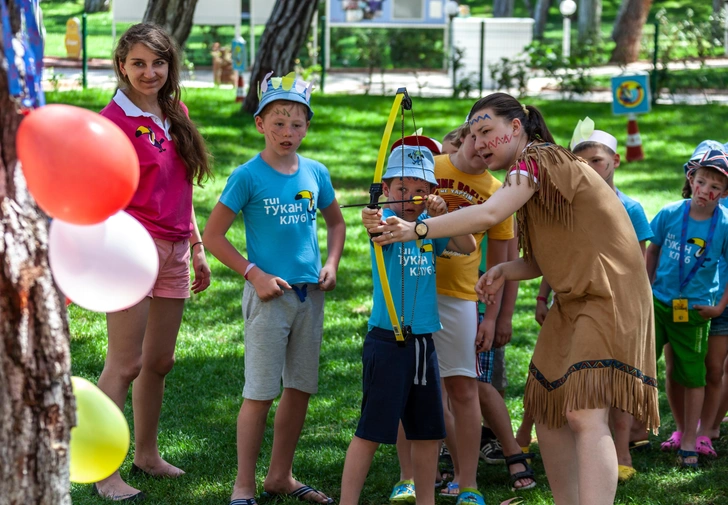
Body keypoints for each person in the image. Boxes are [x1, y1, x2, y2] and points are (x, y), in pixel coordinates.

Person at [365, 92, 659, 505]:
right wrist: (504, 270)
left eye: (488, 130)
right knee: (551, 412)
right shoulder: (530, 176)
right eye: (473, 134)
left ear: (516, 127)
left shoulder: (538, 159)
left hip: (609, 294)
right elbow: (543, 257)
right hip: (573, 299)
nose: (481, 142)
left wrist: (418, 229)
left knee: (583, 412)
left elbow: (487, 215)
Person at [202, 72, 346, 505]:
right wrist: (254, 274)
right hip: (269, 300)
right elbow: (212, 236)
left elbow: (336, 222)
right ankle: (244, 485)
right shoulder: (247, 176)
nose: (288, 132)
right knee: (260, 393)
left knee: (299, 389)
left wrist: (332, 262)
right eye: (278, 122)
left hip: (310, 298)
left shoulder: (316, 172)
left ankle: (279, 476)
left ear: (308, 126)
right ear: (260, 124)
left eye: (297, 123)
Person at [94, 23, 213, 501]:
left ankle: (146, 454)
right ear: (121, 65)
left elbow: (180, 189)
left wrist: (198, 245)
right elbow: (97, 198)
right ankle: (105, 471)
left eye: (158, 63)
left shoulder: (173, 111)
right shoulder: (110, 125)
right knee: (124, 364)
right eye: (139, 63)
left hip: (175, 249)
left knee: (159, 362)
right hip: (130, 251)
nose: (149, 72)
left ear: (170, 66)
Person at [340, 144, 476, 505]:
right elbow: (376, 224)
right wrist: (376, 217)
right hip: (387, 342)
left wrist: (441, 216)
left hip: (423, 344)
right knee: (370, 431)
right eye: (402, 189)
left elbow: (468, 243)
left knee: (429, 432)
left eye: (420, 190)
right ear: (385, 189)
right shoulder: (386, 222)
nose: (411, 198)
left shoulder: (428, 227)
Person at [531, 119, 653, 480]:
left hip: (612, 304)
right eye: (580, 162)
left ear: (615, 160)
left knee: (598, 396)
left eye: (596, 161)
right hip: (572, 302)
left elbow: (635, 265)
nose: (589, 168)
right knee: (557, 396)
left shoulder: (629, 208)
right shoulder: (568, 201)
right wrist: (542, 294)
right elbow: (556, 256)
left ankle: (622, 453)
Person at [651, 141, 728, 465]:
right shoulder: (670, 213)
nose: (705, 190)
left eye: (715, 186)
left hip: (698, 310)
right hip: (660, 303)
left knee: (701, 372)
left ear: (723, 192)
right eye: (700, 182)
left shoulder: (724, 223)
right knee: (660, 368)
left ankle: (700, 435)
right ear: (690, 178)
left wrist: (721, 307)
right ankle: (678, 431)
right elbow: (651, 249)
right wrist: (645, 286)